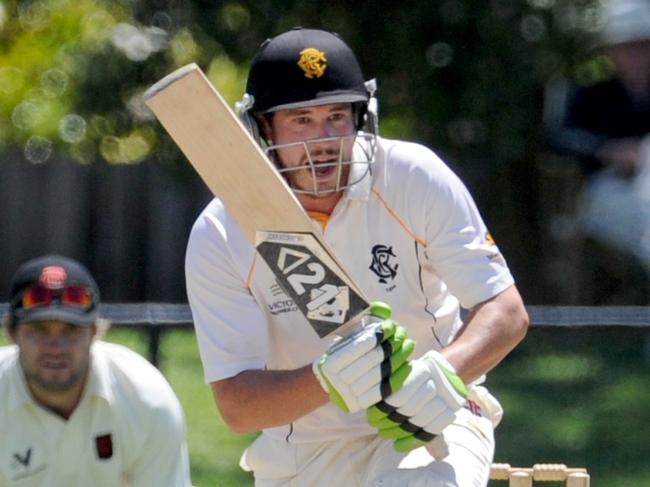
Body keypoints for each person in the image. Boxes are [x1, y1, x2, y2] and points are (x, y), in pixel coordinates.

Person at [186, 27, 529, 487]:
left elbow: (506, 312)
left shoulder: (412, 177)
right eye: (300, 120)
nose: (322, 140)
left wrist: (446, 373)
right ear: (262, 127)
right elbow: (238, 406)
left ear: (360, 116)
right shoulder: (222, 232)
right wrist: (329, 380)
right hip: (304, 450)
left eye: (335, 116)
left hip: (430, 421)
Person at [0, 254, 193, 487]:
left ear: (95, 331)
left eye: (71, 329)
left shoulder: (147, 400)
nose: (55, 347)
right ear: (12, 332)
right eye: (39, 329)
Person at [546, 0, 650, 282]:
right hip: (606, 192)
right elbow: (558, 140)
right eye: (629, 47)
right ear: (611, 51)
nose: (637, 55)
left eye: (643, 45)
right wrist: (608, 151)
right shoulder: (591, 96)